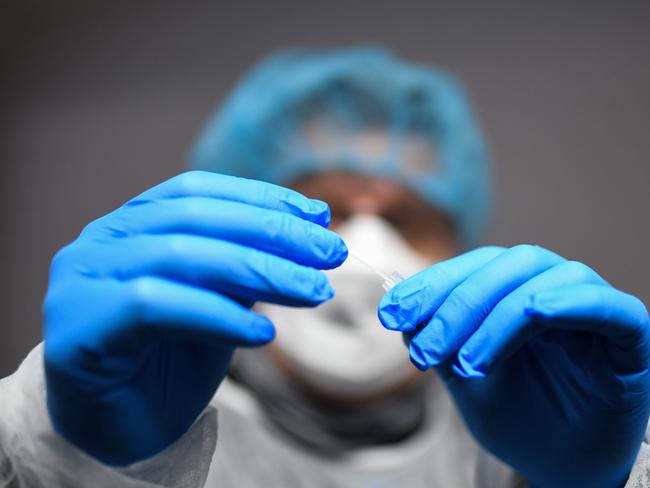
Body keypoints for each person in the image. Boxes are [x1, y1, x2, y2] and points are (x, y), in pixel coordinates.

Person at [0, 48, 648, 488]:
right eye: (326, 208)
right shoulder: (151, 413)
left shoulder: (533, 443)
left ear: (460, 242)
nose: (365, 250)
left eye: (404, 219)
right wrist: (71, 453)